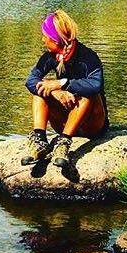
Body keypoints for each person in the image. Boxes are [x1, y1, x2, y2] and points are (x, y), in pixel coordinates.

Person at [22, 9, 108, 168]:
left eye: (45, 36)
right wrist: (56, 91)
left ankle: (63, 143)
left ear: (55, 39)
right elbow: (30, 81)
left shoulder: (88, 57)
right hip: (65, 120)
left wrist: (63, 83)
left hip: (92, 125)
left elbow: (96, 84)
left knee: (88, 94)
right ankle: (39, 140)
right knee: (40, 89)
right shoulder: (49, 57)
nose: (43, 40)